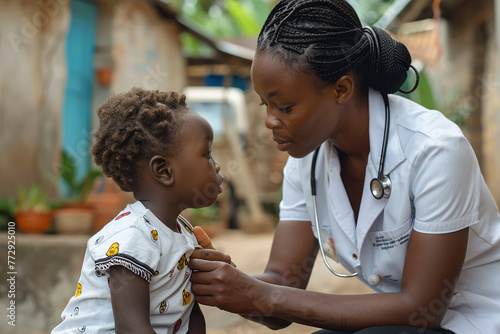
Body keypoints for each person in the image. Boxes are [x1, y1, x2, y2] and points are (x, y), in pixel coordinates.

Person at [188, 1, 500, 333]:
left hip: (475, 321)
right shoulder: (305, 161)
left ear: (341, 89)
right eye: (266, 105)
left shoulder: (436, 151)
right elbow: (281, 288)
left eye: (285, 106)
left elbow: (420, 311)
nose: (270, 122)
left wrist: (258, 293)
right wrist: (228, 282)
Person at [52, 87, 224, 334]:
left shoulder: (184, 233)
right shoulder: (133, 237)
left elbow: (188, 314)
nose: (216, 164)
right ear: (163, 170)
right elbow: (132, 328)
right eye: (206, 153)